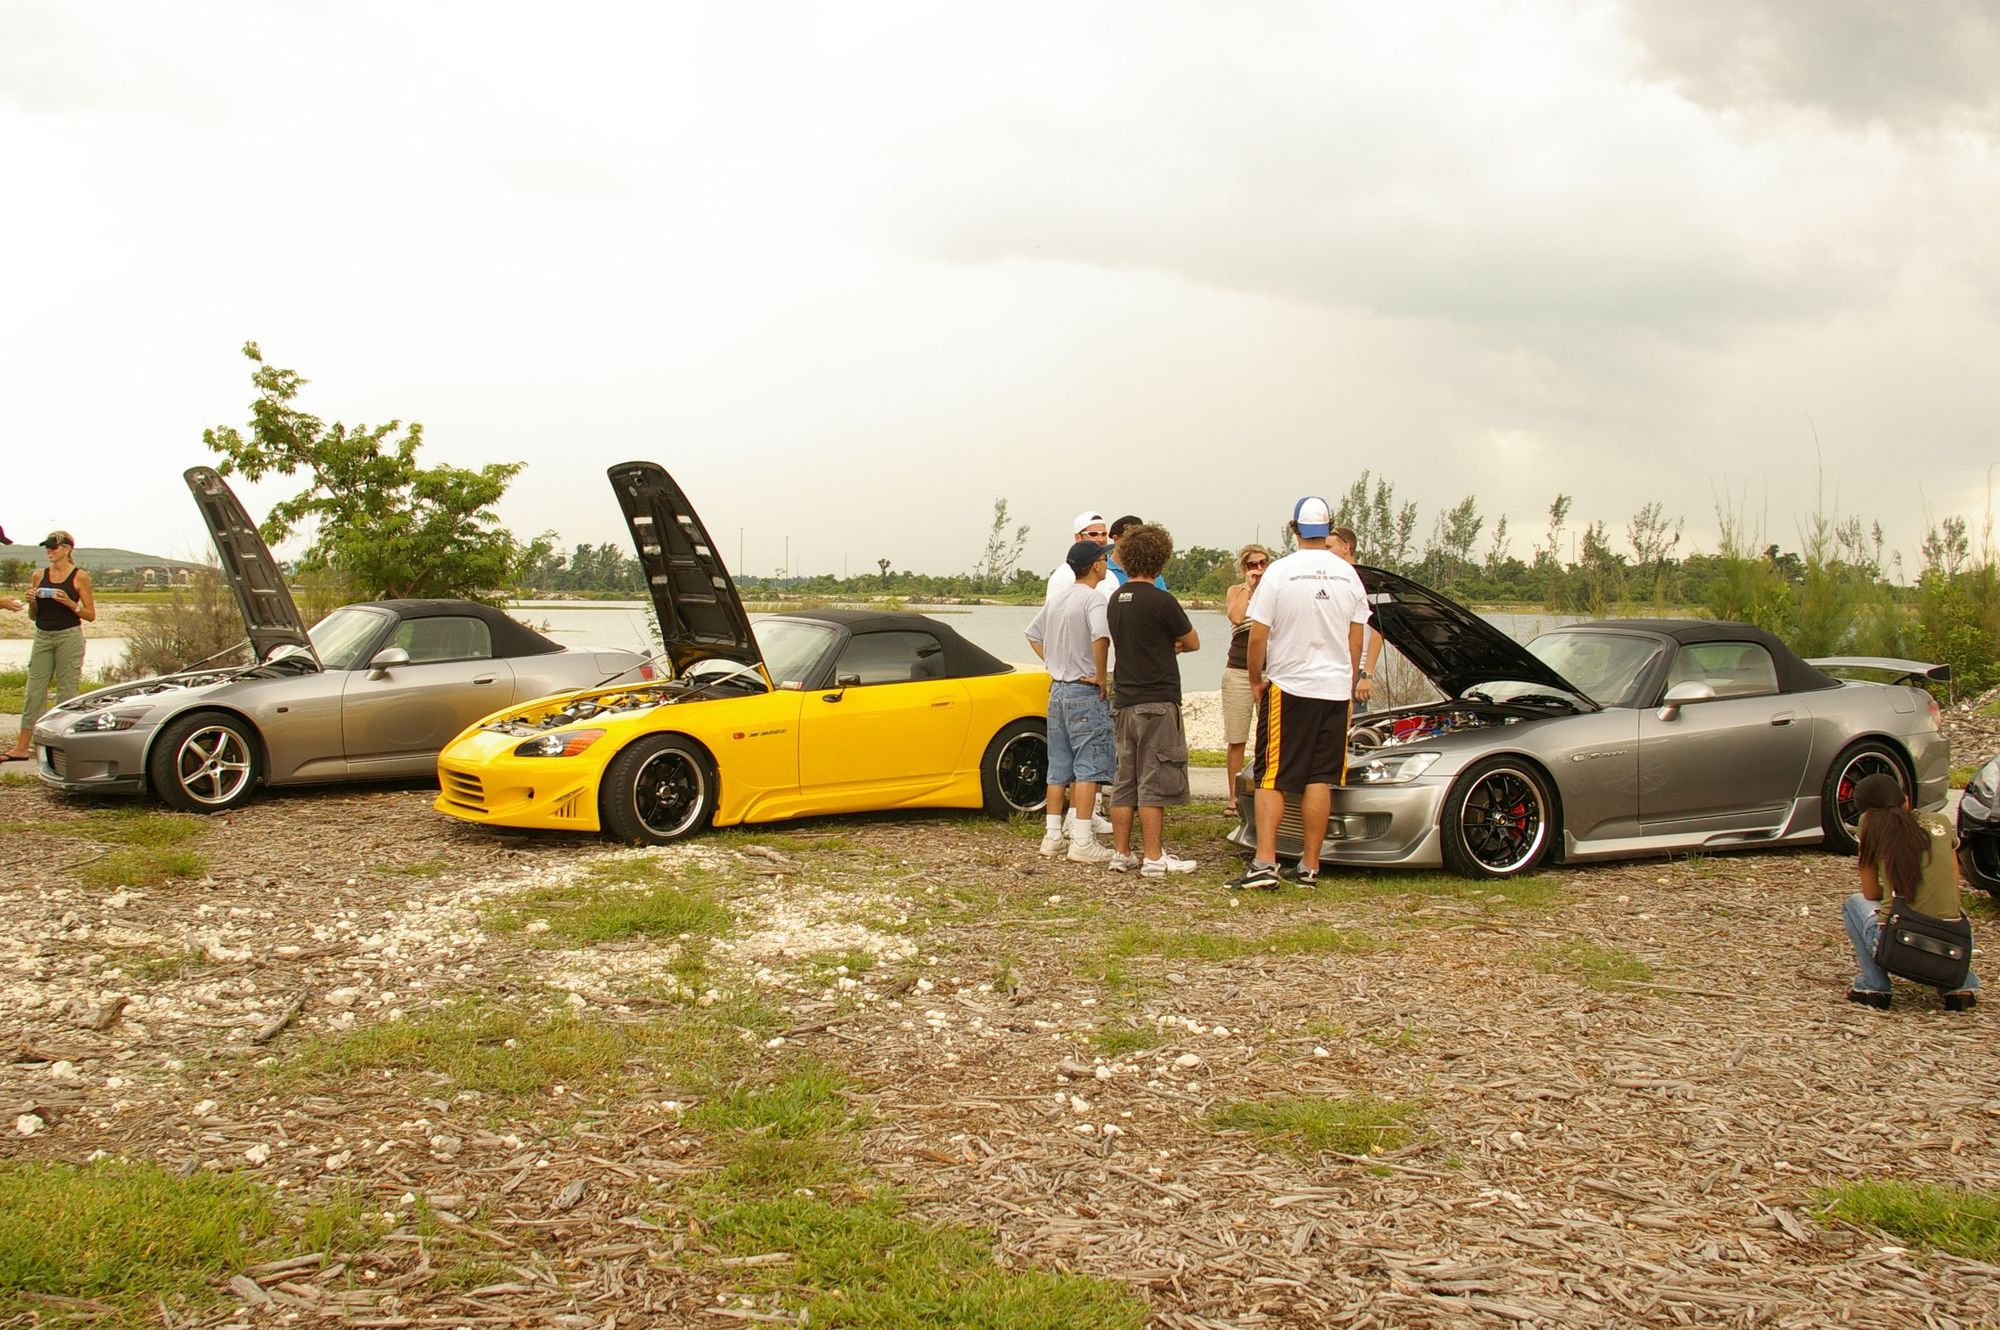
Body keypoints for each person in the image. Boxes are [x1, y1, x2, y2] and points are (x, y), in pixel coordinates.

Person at [1225, 497, 1370, 891]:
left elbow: (1258, 635)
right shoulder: (1348, 575)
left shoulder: (1281, 572)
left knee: (1271, 775)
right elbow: (1356, 638)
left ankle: (1265, 863)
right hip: (1334, 690)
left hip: (1290, 686)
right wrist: (1348, 683)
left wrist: (1256, 679)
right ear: (1328, 528)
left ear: (1294, 529)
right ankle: (1309, 866)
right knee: (1320, 777)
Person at [1104, 524, 1201, 876]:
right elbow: (1192, 641)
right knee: (1153, 779)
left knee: (1124, 779)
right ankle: (1154, 857)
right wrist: (1169, 644)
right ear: (1160, 559)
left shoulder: (1116, 599)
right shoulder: (1162, 600)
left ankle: (1121, 853)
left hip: (1124, 700)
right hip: (1157, 699)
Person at [1842, 772, 1980, 1011]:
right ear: (1905, 801)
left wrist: (1894, 888)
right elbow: (1952, 879)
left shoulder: (1870, 828)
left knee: (1853, 904)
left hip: (1899, 941)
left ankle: (1874, 987)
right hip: (1953, 942)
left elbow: (1870, 891)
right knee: (1949, 909)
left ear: (1865, 813)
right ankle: (1959, 987)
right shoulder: (1940, 823)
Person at [1025, 540, 1116, 863]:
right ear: (1095, 565)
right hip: (1082, 688)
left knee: (1059, 765)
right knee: (1088, 767)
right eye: (1103, 559)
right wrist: (1100, 675)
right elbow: (1101, 636)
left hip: (1058, 689)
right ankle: (1081, 839)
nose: (1106, 564)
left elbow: (1032, 634)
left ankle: (1052, 836)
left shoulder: (1059, 598)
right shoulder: (1093, 599)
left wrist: (1053, 661)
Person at [6, 531, 96, 762]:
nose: (49, 551)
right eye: (47, 547)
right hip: (43, 636)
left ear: (67, 549)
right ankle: (22, 747)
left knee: (67, 692)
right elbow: (34, 616)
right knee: (34, 692)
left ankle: (60, 748)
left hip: (69, 637)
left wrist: (69, 603)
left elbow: (90, 614)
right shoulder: (39, 575)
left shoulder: (79, 577)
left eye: (53, 547)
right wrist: (32, 602)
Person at [1220, 544, 1272, 815]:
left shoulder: (1275, 591)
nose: (1259, 569)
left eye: (1263, 563)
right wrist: (1250, 589)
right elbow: (1236, 616)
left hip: (1270, 671)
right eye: (1253, 565)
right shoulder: (1236, 591)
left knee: (1270, 735)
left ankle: (1267, 790)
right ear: (1244, 567)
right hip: (1239, 670)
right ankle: (1234, 797)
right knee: (1237, 736)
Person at [1330, 526, 1385, 713]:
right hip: (1331, 669)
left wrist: (1367, 674)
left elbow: (1379, 631)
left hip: (1357, 670)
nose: (1325, 552)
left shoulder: (1369, 582)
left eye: (1329, 547)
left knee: (1354, 725)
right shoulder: (1332, 581)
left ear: (1346, 547)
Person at [1045, 511, 1110, 603]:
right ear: (1078, 537)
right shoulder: (1064, 575)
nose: (1101, 539)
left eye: (1104, 534)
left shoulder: (1109, 572)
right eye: (1093, 534)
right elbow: (1053, 610)